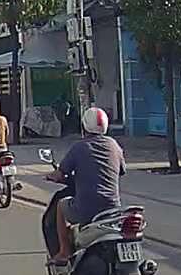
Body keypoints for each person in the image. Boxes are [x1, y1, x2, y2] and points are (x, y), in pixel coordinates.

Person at [46, 107, 126, 265]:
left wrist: (52, 176)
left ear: (84, 127)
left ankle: (64, 251)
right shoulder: (114, 145)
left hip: (87, 207)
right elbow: (121, 171)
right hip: (112, 207)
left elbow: (61, 173)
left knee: (61, 206)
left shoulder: (80, 147)